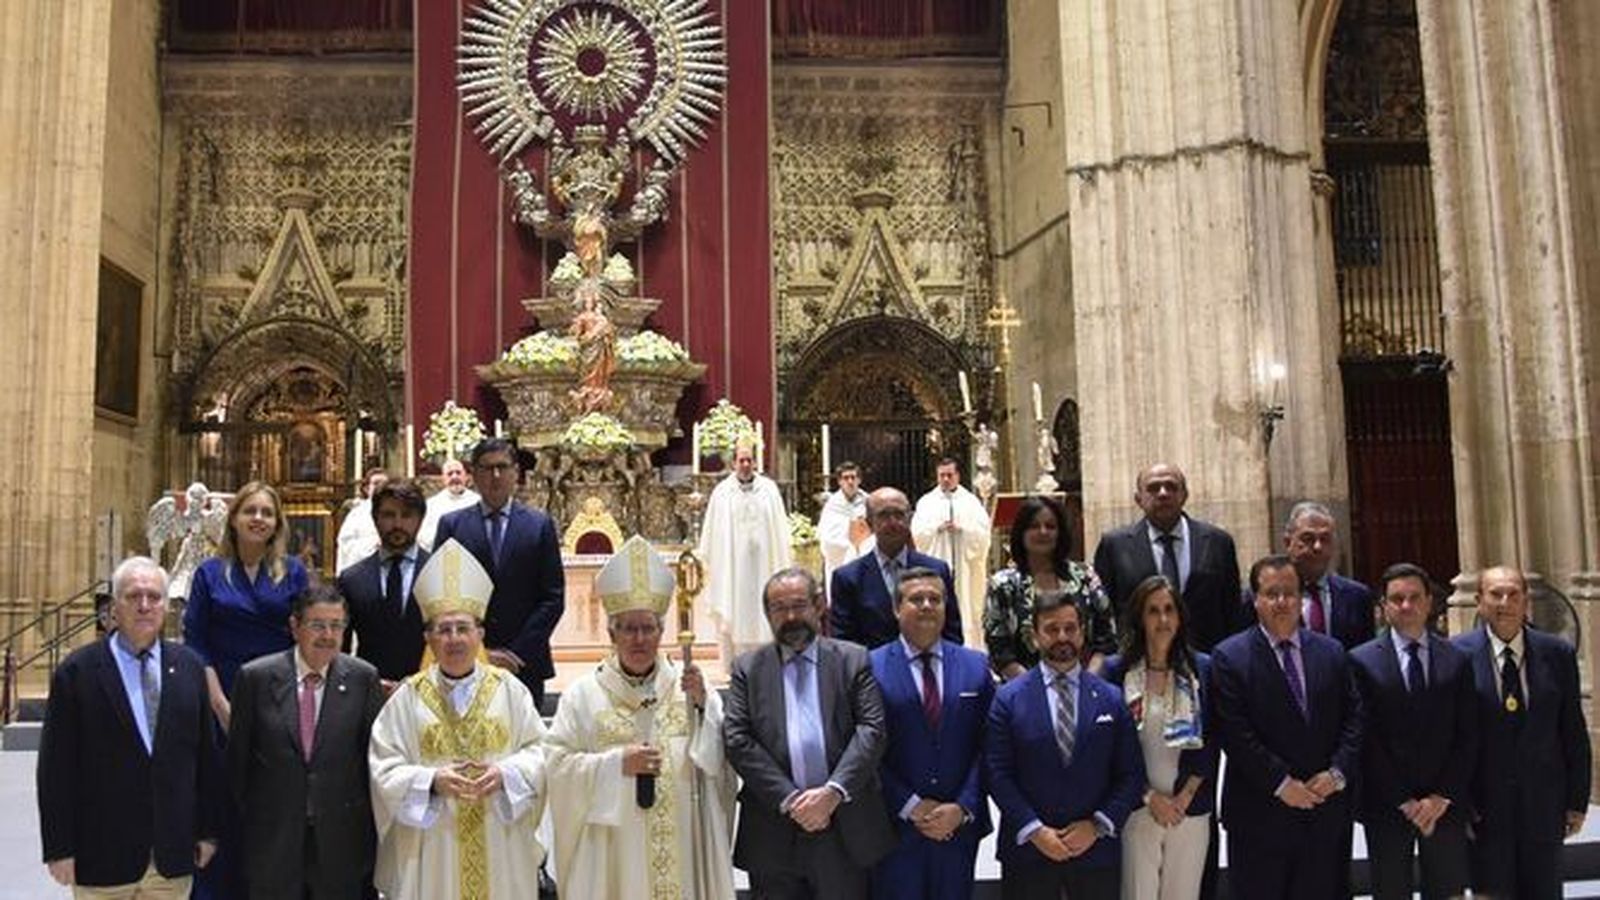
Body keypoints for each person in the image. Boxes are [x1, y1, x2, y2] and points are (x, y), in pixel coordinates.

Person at [545, 535, 736, 898]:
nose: (638, 638)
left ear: (662, 632)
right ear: (611, 632)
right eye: (628, 628)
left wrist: (702, 709)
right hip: (614, 849)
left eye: (648, 627)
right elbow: (556, 766)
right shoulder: (582, 696)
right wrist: (616, 763)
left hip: (682, 837)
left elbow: (718, 766)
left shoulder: (690, 686)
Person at [368, 538, 550, 900]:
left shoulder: (510, 691)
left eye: (463, 628)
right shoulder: (407, 698)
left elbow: (541, 753)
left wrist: (505, 774)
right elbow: (383, 768)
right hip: (433, 845)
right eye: (443, 629)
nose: (454, 639)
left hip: (501, 838)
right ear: (428, 638)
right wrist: (431, 780)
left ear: (480, 634)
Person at [38, 556, 220, 896]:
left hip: (170, 857)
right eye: (133, 596)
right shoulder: (77, 672)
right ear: (113, 607)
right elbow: (56, 768)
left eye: (154, 597)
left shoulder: (190, 668)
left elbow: (205, 759)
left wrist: (208, 832)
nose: (144, 605)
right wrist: (59, 848)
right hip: (101, 855)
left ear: (166, 606)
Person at [723, 567, 896, 898]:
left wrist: (832, 792)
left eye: (799, 605)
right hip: (774, 827)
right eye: (779, 608)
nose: (790, 616)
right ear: (767, 614)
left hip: (844, 824)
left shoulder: (852, 659)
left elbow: (872, 730)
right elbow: (737, 739)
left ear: (819, 606)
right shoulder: (748, 668)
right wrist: (791, 799)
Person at [1210, 555, 1363, 900]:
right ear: (1255, 599)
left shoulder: (1332, 652)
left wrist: (1337, 773)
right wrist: (1281, 784)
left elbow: (1354, 720)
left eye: (1290, 593)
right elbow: (1236, 735)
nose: (1282, 602)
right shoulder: (1229, 657)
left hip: (1324, 812)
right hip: (1260, 816)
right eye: (1271, 593)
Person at [227, 583, 386, 899]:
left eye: (336, 626)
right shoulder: (255, 678)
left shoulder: (363, 678)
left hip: (341, 843)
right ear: (294, 626)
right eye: (317, 625)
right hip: (273, 842)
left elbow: (373, 762)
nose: (328, 635)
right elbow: (237, 766)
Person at [985, 588, 1145, 900]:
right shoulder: (1008, 699)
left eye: (1070, 628)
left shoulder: (1111, 698)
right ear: (1034, 636)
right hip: (1028, 852)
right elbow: (996, 773)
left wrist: (1097, 826)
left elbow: (1131, 773)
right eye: (1052, 629)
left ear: (1082, 634)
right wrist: (1035, 830)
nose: (1062, 637)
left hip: (1095, 851)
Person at [1453, 565, 1590, 899]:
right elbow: (1451, 738)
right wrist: (1460, 803)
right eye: (1495, 594)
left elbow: (1572, 729)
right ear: (1479, 601)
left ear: (1526, 600)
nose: (1505, 602)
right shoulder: (1457, 656)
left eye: (1514, 594)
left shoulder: (1557, 654)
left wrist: (1576, 800)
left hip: (1543, 807)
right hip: (1484, 811)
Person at [1348, 563, 1475, 900]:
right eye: (1397, 599)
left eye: (1414, 598)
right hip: (1387, 805)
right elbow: (1366, 739)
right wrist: (1405, 802)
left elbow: (1467, 734)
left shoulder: (1457, 659)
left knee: (1447, 890)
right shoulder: (1361, 662)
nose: (1406, 606)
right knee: (1391, 891)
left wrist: (1440, 797)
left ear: (1430, 602)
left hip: (1443, 806)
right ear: (1383, 607)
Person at [868, 567, 994, 900]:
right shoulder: (869, 667)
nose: (926, 605)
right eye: (916, 599)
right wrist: (910, 805)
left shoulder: (976, 667)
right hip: (896, 830)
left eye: (935, 599)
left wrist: (963, 806)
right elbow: (866, 751)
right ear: (897, 609)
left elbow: (991, 747)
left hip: (958, 829)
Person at [1098, 576, 1217, 900]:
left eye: (1169, 610)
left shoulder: (1203, 669)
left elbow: (1214, 736)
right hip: (1137, 808)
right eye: (1153, 611)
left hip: (1188, 809)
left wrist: (1183, 798)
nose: (1163, 619)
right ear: (1140, 617)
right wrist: (1151, 798)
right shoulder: (1115, 671)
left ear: (1180, 616)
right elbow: (1109, 746)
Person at [434, 437, 566, 706]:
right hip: (465, 658)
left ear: (516, 473)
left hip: (524, 662)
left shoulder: (538, 525)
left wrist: (515, 653)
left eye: (503, 467)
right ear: (473, 475)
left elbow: (552, 597)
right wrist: (480, 652)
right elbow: (441, 595)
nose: (496, 475)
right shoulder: (452, 526)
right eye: (487, 468)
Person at [1091, 463, 1244, 652]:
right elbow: (1104, 613)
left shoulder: (1217, 542)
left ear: (1184, 495)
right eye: (1153, 488)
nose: (1163, 493)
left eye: (1171, 487)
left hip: (1207, 662)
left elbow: (1233, 610)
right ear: (1138, 499)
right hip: (1139, 663)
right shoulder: (1115, 546)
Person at [984, 494, 1116, 679]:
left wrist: (1083, 686)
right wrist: (1040, 692)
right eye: (1034, 526)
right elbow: (1000, 651)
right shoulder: (1003, 585)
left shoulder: (1085, 575)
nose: (1043, 531)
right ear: (1020, 532)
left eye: (1050, 526)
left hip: (1086, 687)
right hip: (1026, 694)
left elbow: (1106, 638)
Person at [830, 487, 962, 650]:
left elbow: (952, 633)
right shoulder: (848, 578)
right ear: (869, 523)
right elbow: (844, 643)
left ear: (909, 519)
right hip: (871, 671)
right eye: (884, 515)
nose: (892, 523)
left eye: (899, 515)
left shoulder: (937, 570)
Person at [698, 439, 792, 660]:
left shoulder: (769, 490)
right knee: (734, 607)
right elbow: (713, 535)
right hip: (733, 568)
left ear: (756, 462)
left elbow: (779, 529)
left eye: (749, 460)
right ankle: (735, 666)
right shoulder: (722, 493)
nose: (746, 464)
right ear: (733, 463)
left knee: (763, 606)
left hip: (764, 564)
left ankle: (768, 660)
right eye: (741, 460)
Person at [339, 478, 430, 688]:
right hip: (368, 694)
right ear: (375, 518)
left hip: (428, 697)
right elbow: (340, 652)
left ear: (420, 519)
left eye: (407, 515)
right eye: (389, 515)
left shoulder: (439, 572)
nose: (398, 524)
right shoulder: (352, 579)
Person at [910, 458, 992, 647]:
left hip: (965, 568)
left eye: (949, 475)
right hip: (938, 563)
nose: (946, 479)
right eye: (942, 475)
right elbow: (917, 534)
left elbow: (983, 534)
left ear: (957, 476)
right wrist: (936, 528)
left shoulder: (970, 502)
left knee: (966, 608)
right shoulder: (927, 502)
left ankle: (969, 647)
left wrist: (963, 529)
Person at [1275, 501, 1375, 650]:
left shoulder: (1357, 597)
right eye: (1308, 538)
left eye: (1325, 539)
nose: (1318, 547)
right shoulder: (1263, 598)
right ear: (1288, 542)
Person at [818, 461, 873, 599]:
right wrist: (851, 540)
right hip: (839, 561)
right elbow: (827, 537)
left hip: (865, 559)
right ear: (839, 482)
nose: (850, 481)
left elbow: (875, 531)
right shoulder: (832, 505)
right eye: (846, 478)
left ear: (859, 480)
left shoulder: (869, 502)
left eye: (853, 477)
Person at [336, 468, 390, 575]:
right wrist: (373, 545)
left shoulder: (398, 509)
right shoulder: (357, 514)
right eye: (376, 483)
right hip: (364, 570)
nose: (380, 487)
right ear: (367, 488)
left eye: (385, 484)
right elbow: (345, 543)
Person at [419, 457, 480, 551]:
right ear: (443, 478)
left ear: (466, 476)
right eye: (450, 474)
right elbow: (423, 537)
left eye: (458, 473)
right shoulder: (431, 505)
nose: (454, 477)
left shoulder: (477, 501)